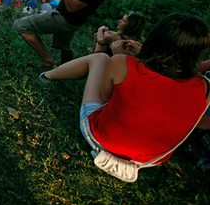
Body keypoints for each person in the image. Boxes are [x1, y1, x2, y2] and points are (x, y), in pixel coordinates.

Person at [40, 13, 210, 168]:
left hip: (103, 140)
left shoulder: (122, 62)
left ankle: (47, 76)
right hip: (149, 160)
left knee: (100, 58)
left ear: (157, 37)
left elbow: (106, 97)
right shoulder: (204, 86)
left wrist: (120, 55)